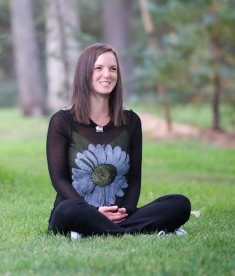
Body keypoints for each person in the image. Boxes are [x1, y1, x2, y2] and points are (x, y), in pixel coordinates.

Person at [46, 43, 191, 238]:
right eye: (98, 68)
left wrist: (127, 211)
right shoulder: (62, 121)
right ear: (84, 73)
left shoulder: (131, 121)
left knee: (180, 203)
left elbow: (135, 177)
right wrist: (94, 211)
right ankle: (137, 230)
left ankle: (106, 230)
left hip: (121, 215)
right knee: (67, 210)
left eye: (112, 69)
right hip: (78, 212)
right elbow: (59, 179)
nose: (107, 74)